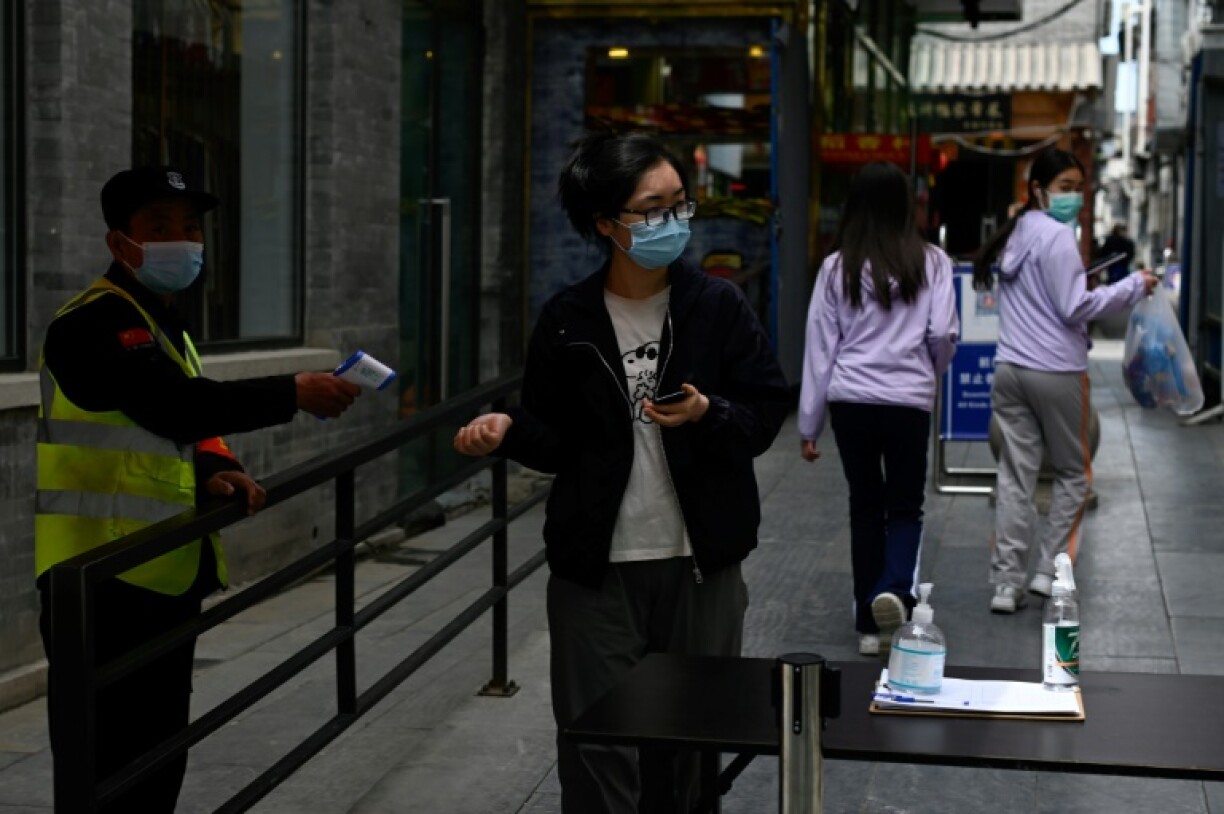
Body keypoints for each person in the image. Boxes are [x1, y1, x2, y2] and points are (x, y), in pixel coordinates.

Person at [453, 131, 789, 814]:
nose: (672, 223)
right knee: (596, 746)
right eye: (652, 208)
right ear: (605, 223)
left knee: (695, 744)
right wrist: (510, 430)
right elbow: (552, 438)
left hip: (702, 563)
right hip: (596, 571)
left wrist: (709, 412)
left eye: (679, 205)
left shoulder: (716, 306)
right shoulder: (567, 320)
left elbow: (764, 413)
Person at [35, 166, 362, 812]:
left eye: (189, 228)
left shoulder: (162, 323)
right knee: (105, 760)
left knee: (158, 753)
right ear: (119, 242)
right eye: (160, 228)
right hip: (100, 579)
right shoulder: (94, 323)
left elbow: (178, 425)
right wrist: (290, 391)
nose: (182, 242)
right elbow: (171, 404)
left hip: (163, 570)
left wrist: (216, 466)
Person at [973, 150, 1158, 613]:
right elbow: (1074, 307)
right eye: (1065, 187)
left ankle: (1005, 584)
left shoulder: (1017, 234)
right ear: (1037, 190)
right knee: (1074, 475)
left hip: (1011, 371)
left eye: (1079, 187)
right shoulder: (1058, 237)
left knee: (1016, 477)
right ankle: (1047, 571)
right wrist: (1133, 286)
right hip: (1057, 372)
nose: (1073, 196)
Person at [798, 161, 959, 659]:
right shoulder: (932, 261)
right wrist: (928, 376)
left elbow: (820, 348)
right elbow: (943, 334)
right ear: (906, 206)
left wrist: (809, 424)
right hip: (908, 401)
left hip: (851, 402)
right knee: (906, 506)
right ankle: (895, 590)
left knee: (865, 507)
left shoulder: (835, 267)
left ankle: (869, 623)